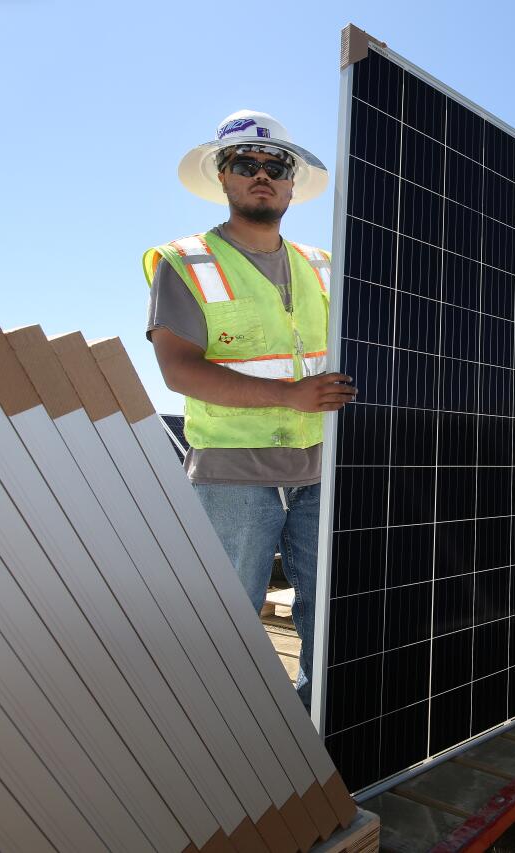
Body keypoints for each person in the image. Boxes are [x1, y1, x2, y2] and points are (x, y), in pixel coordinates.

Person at [143, 110, 355, 708]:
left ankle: (317, 729)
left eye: (275, 166)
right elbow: (178, 368)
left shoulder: (324, 267)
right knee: (228, 617)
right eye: (245, 164)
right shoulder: (184, 262)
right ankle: (226, 745)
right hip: (233, 474)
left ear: (291, 183)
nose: (262, 175)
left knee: (327, 609)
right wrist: (288, 396)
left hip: (321, 469)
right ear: (224, 177)